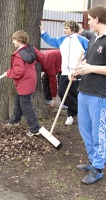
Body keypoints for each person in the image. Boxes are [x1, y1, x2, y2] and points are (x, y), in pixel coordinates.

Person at [72, 6, 106, 185]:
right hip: (84, 91)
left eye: (90, 19)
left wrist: (91, 68)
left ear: (98, 19)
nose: (89, 23)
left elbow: (96, 67)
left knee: (99, 133)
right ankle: (93, 160)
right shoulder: (93, 38)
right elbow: (89, 63)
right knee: (85, 130)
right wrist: (78, 71)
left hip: (100, 95)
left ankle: (98, 169)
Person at [40, 20, 89, 126]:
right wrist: (42, 32)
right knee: (62, 92)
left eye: (66, 28)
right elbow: (50, 40)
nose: (64, 30)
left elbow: (90, 51)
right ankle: (80, 111)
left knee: (74, 94)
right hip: (64, 71)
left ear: (72, 29)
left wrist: (85, 61)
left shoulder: (82, 40)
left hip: (77, 71)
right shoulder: (62, 40)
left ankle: (70, 115)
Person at [5, 30, 45, 136]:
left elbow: (19, 71)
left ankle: (34, 128)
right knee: (18, 100)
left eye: (14, 40)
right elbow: (43, 57)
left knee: (26, 106)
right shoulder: (31, 48)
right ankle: (15, 120)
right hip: (30, 81)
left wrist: (9, 73)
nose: (13, 42)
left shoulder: (18, 55)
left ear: (19, 40)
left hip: (24, 83)